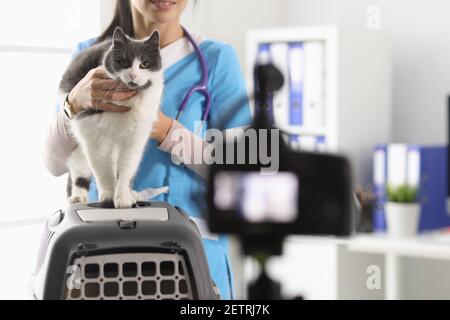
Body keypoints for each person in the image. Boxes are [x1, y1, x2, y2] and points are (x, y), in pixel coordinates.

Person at [43, 0, 252, 299]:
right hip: (99, 257)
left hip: (192, 262)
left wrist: (168, 132)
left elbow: (246, 170)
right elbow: (52, 163)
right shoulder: (89, 54)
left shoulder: (217, 59)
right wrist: (73, 104)